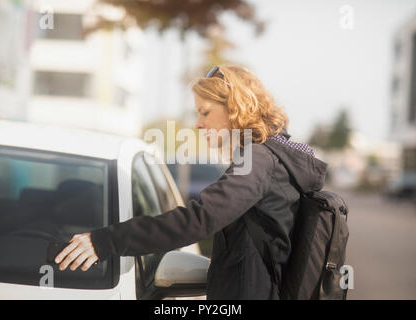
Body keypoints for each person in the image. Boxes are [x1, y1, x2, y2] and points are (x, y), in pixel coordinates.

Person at [54, 65, 327, 299]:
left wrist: (105, 241)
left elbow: (199, 220)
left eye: (205, 112)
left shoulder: (259, 160)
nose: (198, 124)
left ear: (235, 108)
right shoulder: (266, 156)